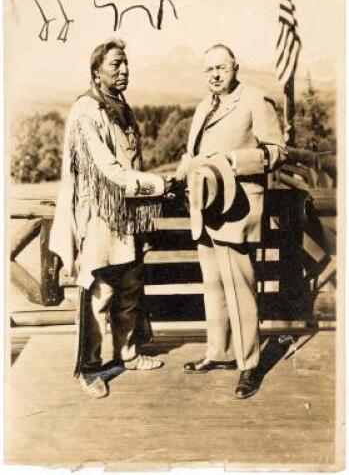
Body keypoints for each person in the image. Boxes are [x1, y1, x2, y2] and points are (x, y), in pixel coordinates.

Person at [50, 38, 174, 398]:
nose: (123, 71)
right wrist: (158, 185)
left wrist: (145, 188)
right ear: (96, 72)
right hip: (99, 214)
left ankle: (128, 352)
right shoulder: (86, 111)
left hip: (127, 213)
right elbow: (109, 169)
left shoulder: (120, 106)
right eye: (115, 64)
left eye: (125, 64)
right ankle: (89, 368)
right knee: (99, 289)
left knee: (130, 283)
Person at [175, 44, 286, 399]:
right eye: (209, 70)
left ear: (235, 67)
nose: (215, 75)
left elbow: (276, 152)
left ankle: (249, 364)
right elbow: (192, 155)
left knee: (239, 289)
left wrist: (233, 161)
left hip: (236, 209)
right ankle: (219, 352)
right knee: (213, 286)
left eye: (221, 68)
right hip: (204, 207)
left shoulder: (255, 100)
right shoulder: (204, 106)